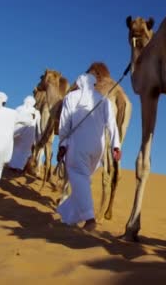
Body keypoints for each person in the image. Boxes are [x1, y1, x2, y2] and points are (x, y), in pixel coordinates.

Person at [56, 73, 121, 232]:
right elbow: (111, 124)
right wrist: (116, 146)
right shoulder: (103, 99)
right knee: (82, 179)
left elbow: (64, 123)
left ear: (79, 83)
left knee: (78, 175)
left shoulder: (71, 97)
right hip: (97, 149)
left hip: (78, 145)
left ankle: (89, 219)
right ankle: (68, 216)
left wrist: (62, 145)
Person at [8, 95, 41, 172]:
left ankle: (12, 165)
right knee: (24, 151)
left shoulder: (18, 108)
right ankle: (19, 167)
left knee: (16, 149)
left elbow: (13, 120)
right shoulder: (36, 112)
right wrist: (39, 137)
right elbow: (38, 126)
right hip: (29, 134)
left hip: (17, 131)